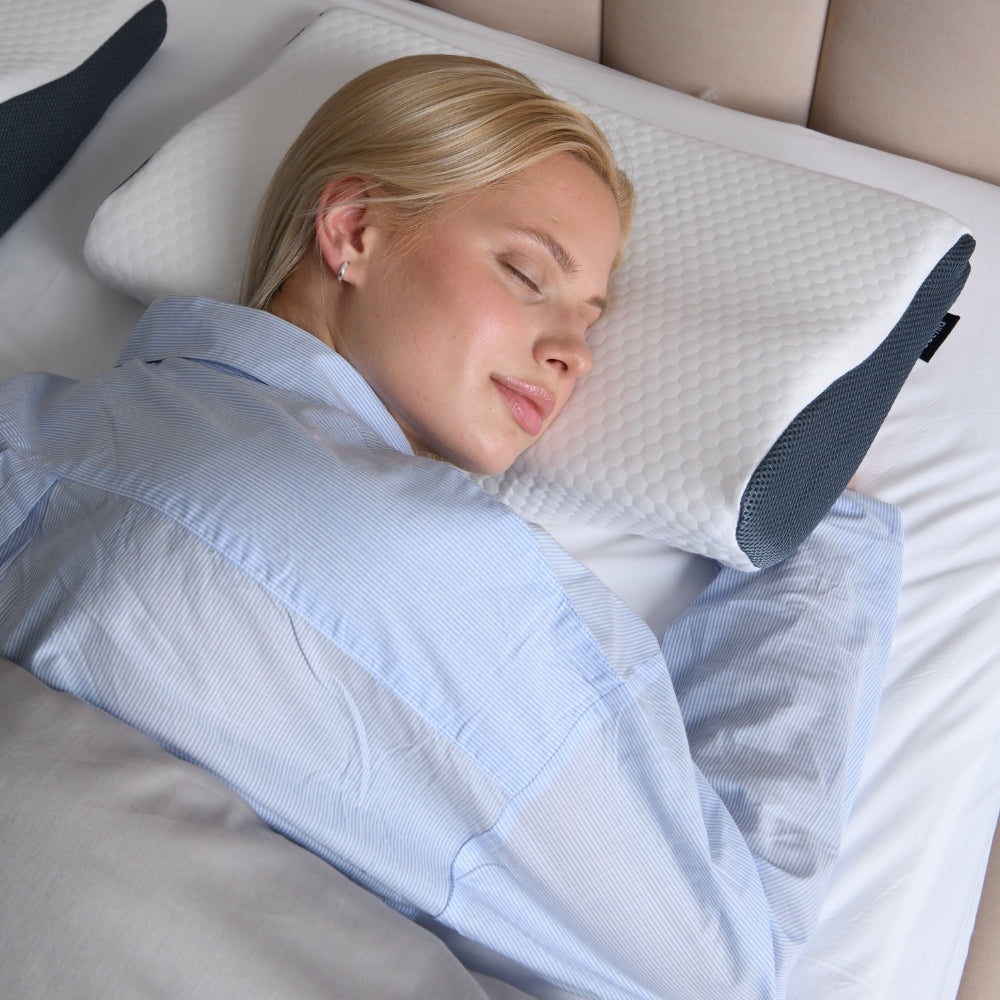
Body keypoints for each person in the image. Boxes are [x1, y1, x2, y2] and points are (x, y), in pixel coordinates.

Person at [0, 55, 901, 1000]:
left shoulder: (29, 424)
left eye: (592, 322)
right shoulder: (412, 556)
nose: (575, 355)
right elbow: (713, 965)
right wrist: (821, 515)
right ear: (353, 227)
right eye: (527, 275)